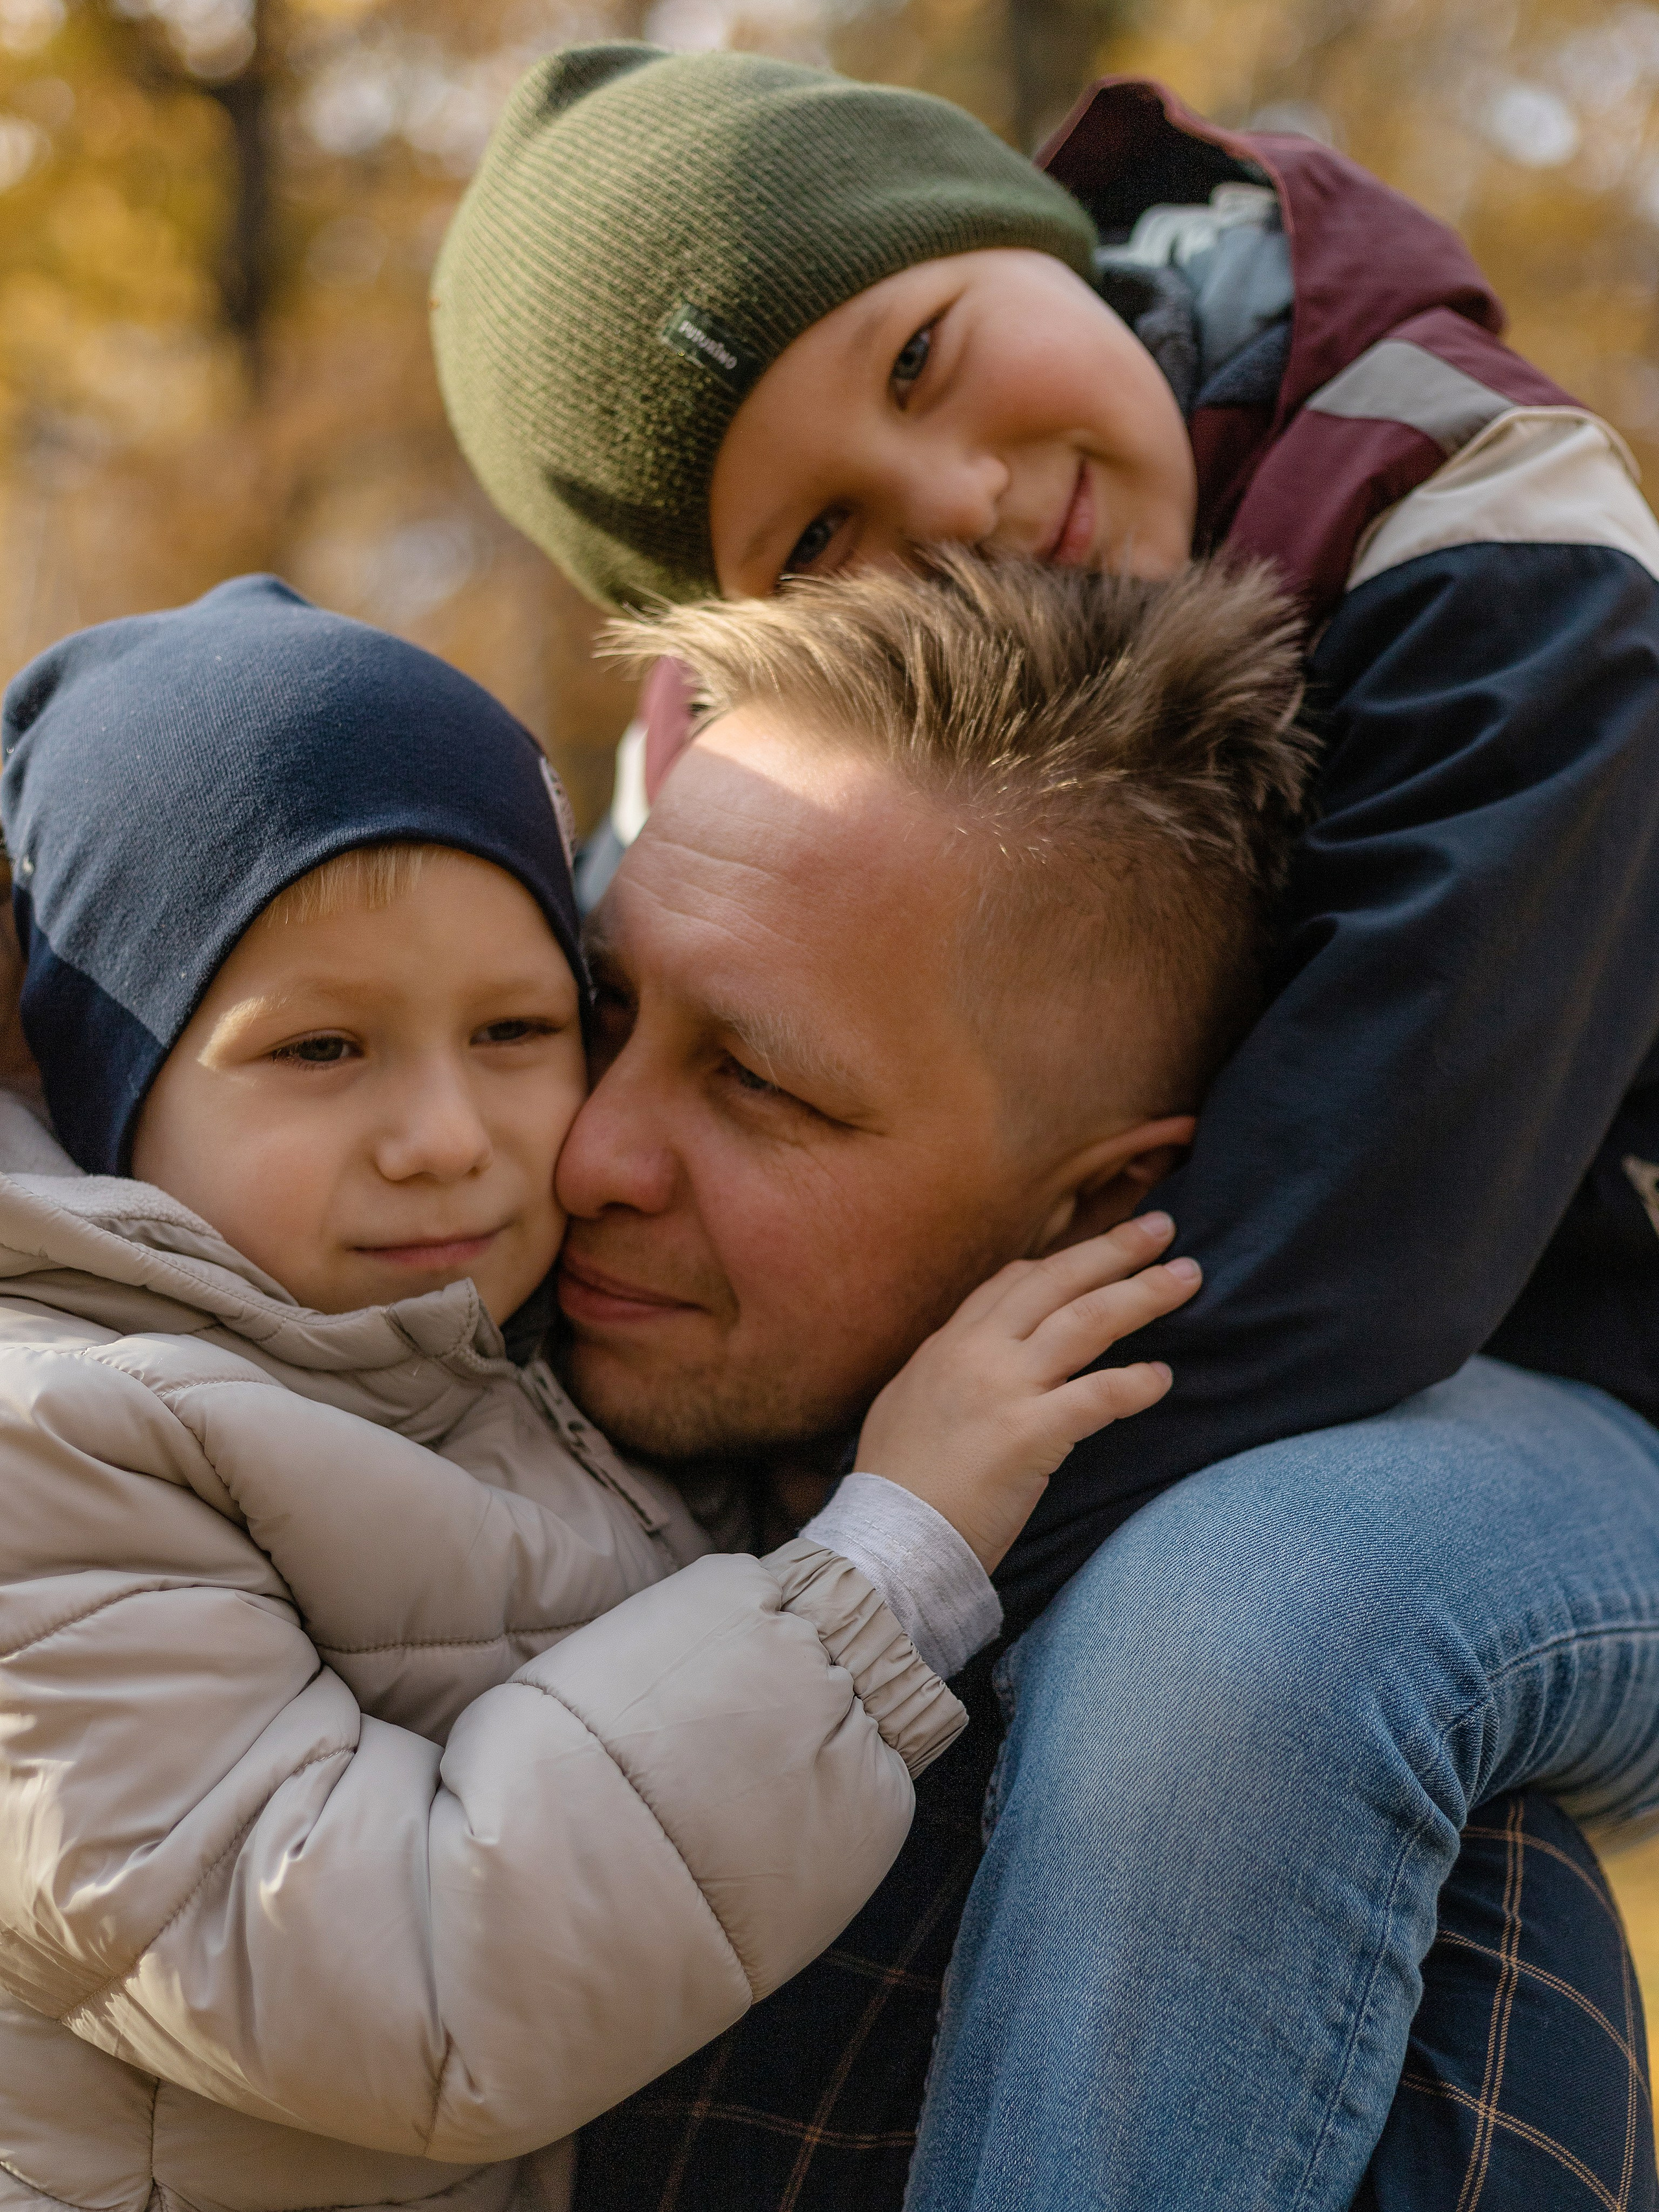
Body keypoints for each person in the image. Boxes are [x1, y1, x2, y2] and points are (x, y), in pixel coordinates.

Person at [430, 56, 1659, 2206]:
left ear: (1023, 226)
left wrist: (881, 1554)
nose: (961, 498)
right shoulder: (748, 740)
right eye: (821, 540)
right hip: (1226, 1349)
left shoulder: (1488, 520)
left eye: (921, 357)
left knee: (1252, 1605)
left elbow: (1357, 1225)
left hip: (1566, 1383)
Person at [0, 572, 1225, 2207]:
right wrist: (883, 1567)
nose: (551, 1155)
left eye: (523, 1028)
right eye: (611, 1009)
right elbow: (395, 1983)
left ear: (1093, 1202)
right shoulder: (56, 1437)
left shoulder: (468, 1356)